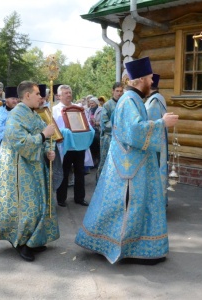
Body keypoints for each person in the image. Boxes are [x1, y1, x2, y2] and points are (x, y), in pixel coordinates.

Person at [75, 57, 179, 264]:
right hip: (129, 167)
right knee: (129, 205)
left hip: (132, 163)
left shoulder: (132, 99)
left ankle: (130, 246)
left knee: (127, 205)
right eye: (150, 77)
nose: (152, 81)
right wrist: (161, 123)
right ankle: (125, 247)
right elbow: (133, 131)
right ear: (140, 79)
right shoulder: (130, 100)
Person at [0, 81, 60, 262]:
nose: (41, 98)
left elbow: (40, 139)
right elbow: (19, 141)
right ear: (27, 95)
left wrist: (47, 152)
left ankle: (32, 240)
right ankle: (21, 243)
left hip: (33, 167)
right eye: (37, 95)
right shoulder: (16, 115)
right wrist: (43, 136)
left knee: (38, 205)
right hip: (18, 170)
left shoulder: (33, 114)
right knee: (26, 209)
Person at [52, 85, 94, 207]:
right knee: (63, 172)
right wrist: (63, 132)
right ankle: (61, 198)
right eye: (65, 93)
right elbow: (53, 127)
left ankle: (79, 197)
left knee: (80, 172)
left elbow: (85, 123)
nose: (69, 95)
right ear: (59, 96)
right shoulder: (54, 110)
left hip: (78, 145)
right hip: (63, 146)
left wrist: (88, 130)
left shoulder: (78, 108)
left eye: (70, 92)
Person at [144, 73, 169, 204]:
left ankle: (155, 204)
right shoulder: (158, 99)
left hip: (154, 145)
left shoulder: (154, 102)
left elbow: (149, 123)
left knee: (154, 174)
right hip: (159, 143)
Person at [96, 82, 123, 181]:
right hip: (108, 138)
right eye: (117, 91)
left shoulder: (124, 104)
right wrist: (118, 127)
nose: (119, 93)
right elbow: (104, 122)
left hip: (121, 139)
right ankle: (101, 182)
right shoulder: (107, 105)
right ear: (113, 91)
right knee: (106, 161)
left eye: (121, 91)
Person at [87, 96, 102, 168]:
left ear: (96, 103)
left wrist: (96, 123)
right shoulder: (88, 110)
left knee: (96, 144)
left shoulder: (101, 110)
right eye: (90, 103)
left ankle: (97, 160)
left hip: (98, 130)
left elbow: (103, 121)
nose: (91, 104)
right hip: (90, 130)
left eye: (92, 103)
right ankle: (91, 161)